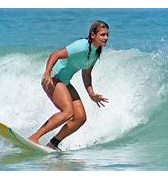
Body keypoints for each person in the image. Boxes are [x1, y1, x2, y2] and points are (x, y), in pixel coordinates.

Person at [29, 20, 109, 150]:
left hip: (64, 82)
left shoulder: (95, 52)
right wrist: (47, 73)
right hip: (53, 78)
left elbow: (86, 74)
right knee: (67, 112)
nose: (106, 38)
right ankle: (34, 137)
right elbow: (55, 55)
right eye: (102, 35)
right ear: (93, 35)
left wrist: (91, 94)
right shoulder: (81, 46)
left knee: (80, 117)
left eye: (107, 35)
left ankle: (53, 144)